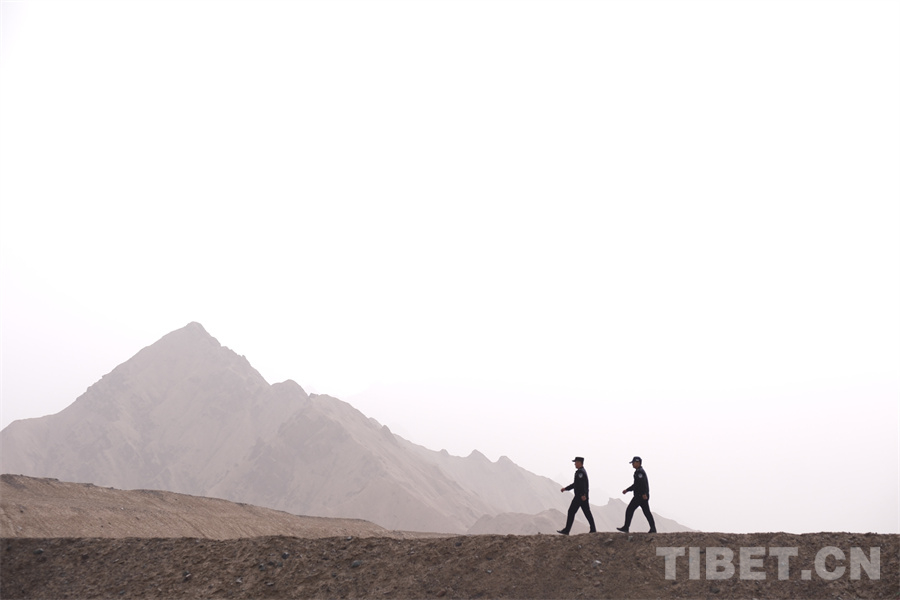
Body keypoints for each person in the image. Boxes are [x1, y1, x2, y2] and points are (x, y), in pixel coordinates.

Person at [617, 456, 657, 533]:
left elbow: (642, 484)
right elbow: (636, 485)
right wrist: (627, 490)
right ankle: (653, 528)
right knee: (646, 512)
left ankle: (626, 527)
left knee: (630, 510)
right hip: (641, 496)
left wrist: (644, 493)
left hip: (640, 496)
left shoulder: (640, 472)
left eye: (633, 462)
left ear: (638, 463)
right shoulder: (639, 471)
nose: (632, 464)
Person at [557, 456, 596, 535]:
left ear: (579, 463)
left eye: (576, 462)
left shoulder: (581, 472)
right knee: (587, 513)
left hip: (580, 497)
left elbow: (582, 485)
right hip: (582, 496)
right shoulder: (581, 472)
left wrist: (582, 494)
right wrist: (566, 488)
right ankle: (593, 529)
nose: (575, 464)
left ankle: (567, 530)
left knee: (571, 512)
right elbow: (575, 484)